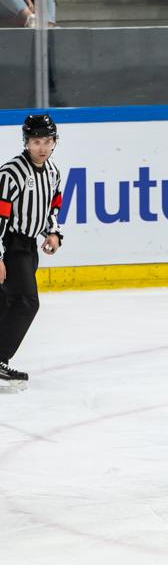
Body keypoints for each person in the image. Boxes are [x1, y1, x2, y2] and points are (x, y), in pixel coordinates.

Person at [0, 114, 63, 391]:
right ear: (26, 142)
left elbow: (52, 206)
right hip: (10, 244)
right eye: (36, 141)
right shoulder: (10, 173)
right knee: (26, 301)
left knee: (6, 302)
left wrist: (52, 231)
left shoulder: (53, 172)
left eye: (47, 141)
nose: (42, 147)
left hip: (28, 246)